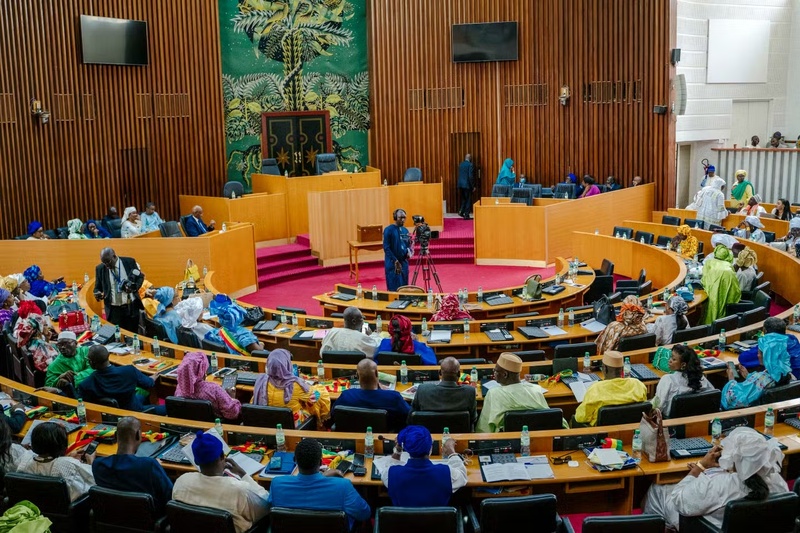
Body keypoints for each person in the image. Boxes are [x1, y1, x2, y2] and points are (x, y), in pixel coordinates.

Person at [643, 427, 789, 530]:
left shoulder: (720, 484)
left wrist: (699, 467)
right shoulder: (778, 481)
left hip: (706, 527)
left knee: (657, 490)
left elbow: (679, 501)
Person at [172, 431, 269, 532]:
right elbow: (266, 504)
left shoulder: (181, 481)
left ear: (196, 461)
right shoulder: (239, 490)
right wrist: (243, 474)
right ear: (222, 456)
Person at [267, 438, 371, 527]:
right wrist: (322, 476)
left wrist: (322, 476)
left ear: (295, 460)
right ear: (321, 462)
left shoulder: (277, 484)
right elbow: (364, 513)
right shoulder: (343, 486)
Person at [92, 416, 173, 515]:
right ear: (138, 435)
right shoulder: (149, 466)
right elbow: (170, 496)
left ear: (116, 436)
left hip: (111, 520)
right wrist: (158, 468)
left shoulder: (98, 465)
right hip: (148, 521)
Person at [381, 425, 467, 507]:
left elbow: (389, 467)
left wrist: (398, 451)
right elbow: (462, 475)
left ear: (406, 449)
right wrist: (451, 452)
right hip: (438, 518)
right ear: (430, 448)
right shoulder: (447, 473)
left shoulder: (391, 475)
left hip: (403, 518)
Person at [476, 353, 562, 432]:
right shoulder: (536, 389)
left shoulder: (493, 393)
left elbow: (484, 429)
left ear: (505, 374)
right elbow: (549, 415)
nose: (494, 373)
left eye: (495, 371)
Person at [252, 348, 330, 429]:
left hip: (267, 424)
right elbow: (315, 395)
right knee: (313, 400)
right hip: (292, 426)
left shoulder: (261, 381)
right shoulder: (294, 385)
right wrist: (319, 387)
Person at [17, 421, 95, 502]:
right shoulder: (67, 464)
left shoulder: (25, 461)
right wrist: (91, 461)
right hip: (73, 506)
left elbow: (46, 464)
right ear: (62, 445)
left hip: (38, 505)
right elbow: (95, 479)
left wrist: (67, 459)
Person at [78, 345, 161, 413]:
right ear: (108, 356)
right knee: (165, 408)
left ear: (91, 362)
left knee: (141, 396)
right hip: (134, 411)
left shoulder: (85, 385)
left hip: (109, 416)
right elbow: (149, 384)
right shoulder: (129, 370)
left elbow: (87, 407)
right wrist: (152, 378)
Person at [573, 351, 648, 426]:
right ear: (623, 369)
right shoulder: (638, 385)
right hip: (632, 429)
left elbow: (580, 418)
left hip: (601, 432)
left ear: (604, 369)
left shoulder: (595, 389)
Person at [722, 330, 793, 409]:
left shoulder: (760, 378)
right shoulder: (787, 373)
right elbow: (760, 384)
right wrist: (749, 377)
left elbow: (732, 399)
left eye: (759, 353)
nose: (758, 355)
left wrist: (731, 379)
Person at [334, 359, 410, 431]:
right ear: (377, 373)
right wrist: (383, 391)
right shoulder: (394, 397)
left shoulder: (346, 395)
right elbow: (409, 415)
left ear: (357, 375)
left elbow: (334, 414)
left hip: (351, 436)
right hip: (384, 437)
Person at [410, 357, 477, 428]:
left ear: (439, 373)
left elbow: (412, 418)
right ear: (459, 374)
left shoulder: (422, 390)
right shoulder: (469, 392)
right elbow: (473, 419)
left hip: (429, 433)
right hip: (461, 433)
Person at [176, 351, 241, 420]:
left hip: (187, 424)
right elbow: (232, 414)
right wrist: (231, 398)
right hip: (214, 426)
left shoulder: (179, 388)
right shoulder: (214, 389)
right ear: (201, 371)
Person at [653, 344, 714, 417]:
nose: (670, 360)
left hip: (670, 421)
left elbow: (657, 408)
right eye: (670, 357)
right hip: (697, 418)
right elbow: (713, 395)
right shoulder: (701, 378)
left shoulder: (667, 380)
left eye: (673, 359)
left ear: (683, 365)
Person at [93, 248, 144, 332]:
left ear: (114, 256)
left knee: (132, 334)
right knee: (116, 335)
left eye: (108, 262)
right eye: (104, 262)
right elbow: (97, 288)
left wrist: (134, 288)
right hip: (114, 310)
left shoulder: (129, 262)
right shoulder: (100, 268)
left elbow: (140, 277)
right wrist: (97, 293)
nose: (106, 265)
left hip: (131, 307)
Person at [702, 245, 741, 324]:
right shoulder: (729, 267)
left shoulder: (709, 262)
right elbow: (735, 290)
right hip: (726, 303)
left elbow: (703, 280)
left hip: (710, 296)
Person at [14, 304, 58, 372]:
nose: (47, 327)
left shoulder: (29, 341)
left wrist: (47, 339)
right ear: (39, 328)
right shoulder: (41, 345)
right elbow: (56, 365)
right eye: (45, 325)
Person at [383, 208, 412, 291]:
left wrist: (409, 252)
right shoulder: (388, 230)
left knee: (404, 288)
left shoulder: (405, 230)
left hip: (404, 263)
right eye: (400, 218)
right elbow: (386, 248)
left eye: (404, 218)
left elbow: (408, 245)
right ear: (395, 217)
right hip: (393, 264)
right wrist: (395, 261)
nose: (403, 220)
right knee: (394, 289)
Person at [457, 154, 475, 220]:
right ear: (470, 158)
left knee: (464, 199)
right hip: (467, 185)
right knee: (468, 200)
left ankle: (461, 211)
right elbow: (470, 176)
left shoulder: (461, 164)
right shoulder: (470, 165)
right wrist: (473, 186)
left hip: (460, 184)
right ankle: (466, 215)